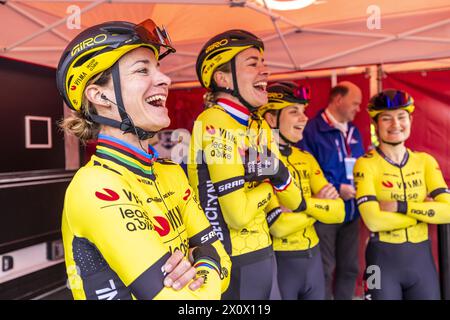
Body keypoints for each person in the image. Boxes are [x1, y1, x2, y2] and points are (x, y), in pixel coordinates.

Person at [56, 19, 231, 300]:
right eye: (142, 70)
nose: (165, 80)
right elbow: (187, 300)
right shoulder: (94, 186)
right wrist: (205, 258)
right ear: (99, 95)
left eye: (158, 68)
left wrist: (208, 257)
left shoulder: (170, 173)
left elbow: (225, 263)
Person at [188, 30, 302, 299]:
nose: (265, 71)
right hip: (231, 260)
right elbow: (237, 215)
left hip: (263, 252)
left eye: (263, 63)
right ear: (223, 78)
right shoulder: (213, 122)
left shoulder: (259, 124)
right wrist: (271, 181)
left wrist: (273, 173)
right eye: (253, 63)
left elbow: (297, 201)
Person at [354, 89, 450, 300]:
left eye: (401, 117)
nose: (395, 124)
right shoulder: (366, 164)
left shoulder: (425, 161)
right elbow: (374, 221)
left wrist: (401, 206)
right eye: (386, 119)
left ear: (410, 120)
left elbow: (448, 212)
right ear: (375, 125)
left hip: (421, 261)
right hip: (380, 260)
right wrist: (425, 211)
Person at [257, 82, 345, 300]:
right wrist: (318, 206)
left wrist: (302, 206)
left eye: (303, 111)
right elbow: (279, 226)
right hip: (280, 260)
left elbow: (339, 212)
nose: (304, 118)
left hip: (314, 257)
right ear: (270, 118)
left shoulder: (306, 157)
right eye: (294, 112)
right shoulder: (261, 161)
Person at [297, 81, 365, 299]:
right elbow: (306, 171)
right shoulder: (312, 130)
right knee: (325, 268)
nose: (358, 108)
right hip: (325, 213)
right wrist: (337, 188)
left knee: (350, 267)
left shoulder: (354, 131)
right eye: (355, 103)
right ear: (338, 100)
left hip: (351, 212)